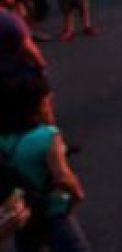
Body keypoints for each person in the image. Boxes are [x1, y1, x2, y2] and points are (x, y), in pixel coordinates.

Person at [0, 79, 88, 252]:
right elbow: (63, 178)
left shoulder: (3, 140)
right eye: (47, 102)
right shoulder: (47, 136)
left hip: (24, 214)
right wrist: (77, 195)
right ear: (37, 107)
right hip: (53, 211)